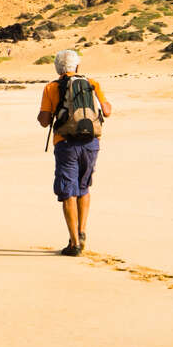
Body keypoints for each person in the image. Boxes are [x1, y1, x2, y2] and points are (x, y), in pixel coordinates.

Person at [35, 49, 111, 256]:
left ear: (58, 68)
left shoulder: (51, 87)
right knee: (84, 186)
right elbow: (107, 111)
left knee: (68, 189)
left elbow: (44, 122)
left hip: (66, 143)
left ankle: (74, 243)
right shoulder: (92, 83)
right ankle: (82, 230)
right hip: (91, 141)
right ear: (77, 67)